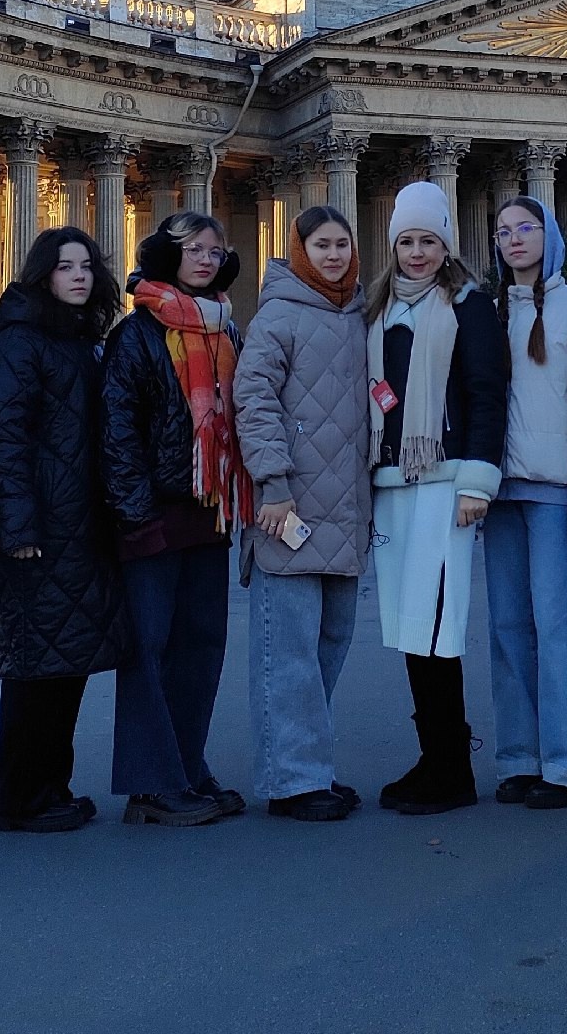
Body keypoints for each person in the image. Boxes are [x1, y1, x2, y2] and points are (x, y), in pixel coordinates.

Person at [365, 181, 511, 816]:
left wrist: (479, 480)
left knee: (437, 624)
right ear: (393, 244)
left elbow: (486, 392)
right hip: (392, 482)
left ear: (446, 244)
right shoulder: (379, 308)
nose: (417, 252)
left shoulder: (468, 305)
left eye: (428, 240)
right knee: (406, 625)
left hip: (448, 481)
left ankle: (453, 767)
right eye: (407, 241)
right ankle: (434, 756)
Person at [0, 225, 128, 833]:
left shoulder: (81, 342)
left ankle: (51, 786)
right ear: (42, 275)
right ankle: (17, 799)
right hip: (40, 529)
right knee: (33, 669)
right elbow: (4, 439)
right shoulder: (21, 343)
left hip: (79, 526)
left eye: (87, 265)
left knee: (64, 663)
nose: (79, 275)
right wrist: (17, 527)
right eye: (65, 266)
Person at [101, 210, 248, 825]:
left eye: (216, 251)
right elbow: (117, 431)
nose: (207, 259)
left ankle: (187, 764)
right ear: (168, 254)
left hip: (207, 510)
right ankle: (150, 784)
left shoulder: (227, 333)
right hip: (155, 516)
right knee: (150, 649)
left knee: (201, 645)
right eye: (194, 249)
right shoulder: (135, 334)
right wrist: (136, 516)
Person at [231, 205, 372, 822]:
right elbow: (253, 401)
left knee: (330, 644)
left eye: (342, 243)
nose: (334, 254)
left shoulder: (362, 315)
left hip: (346, 508)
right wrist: (272, 482)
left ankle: (310, 764)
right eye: (321, 245)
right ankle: (293, 781)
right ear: (299, 250)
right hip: (289, 506)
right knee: (285, 648)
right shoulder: (278, 316)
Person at [483, 195, 567, 809]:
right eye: (503, 231)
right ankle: (520, 758)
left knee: (560, 630)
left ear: (547, 236)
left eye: (525, 228)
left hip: (557, 492)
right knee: (508, 630)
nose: (514, 240)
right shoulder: (488, 309)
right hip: (500, 493)